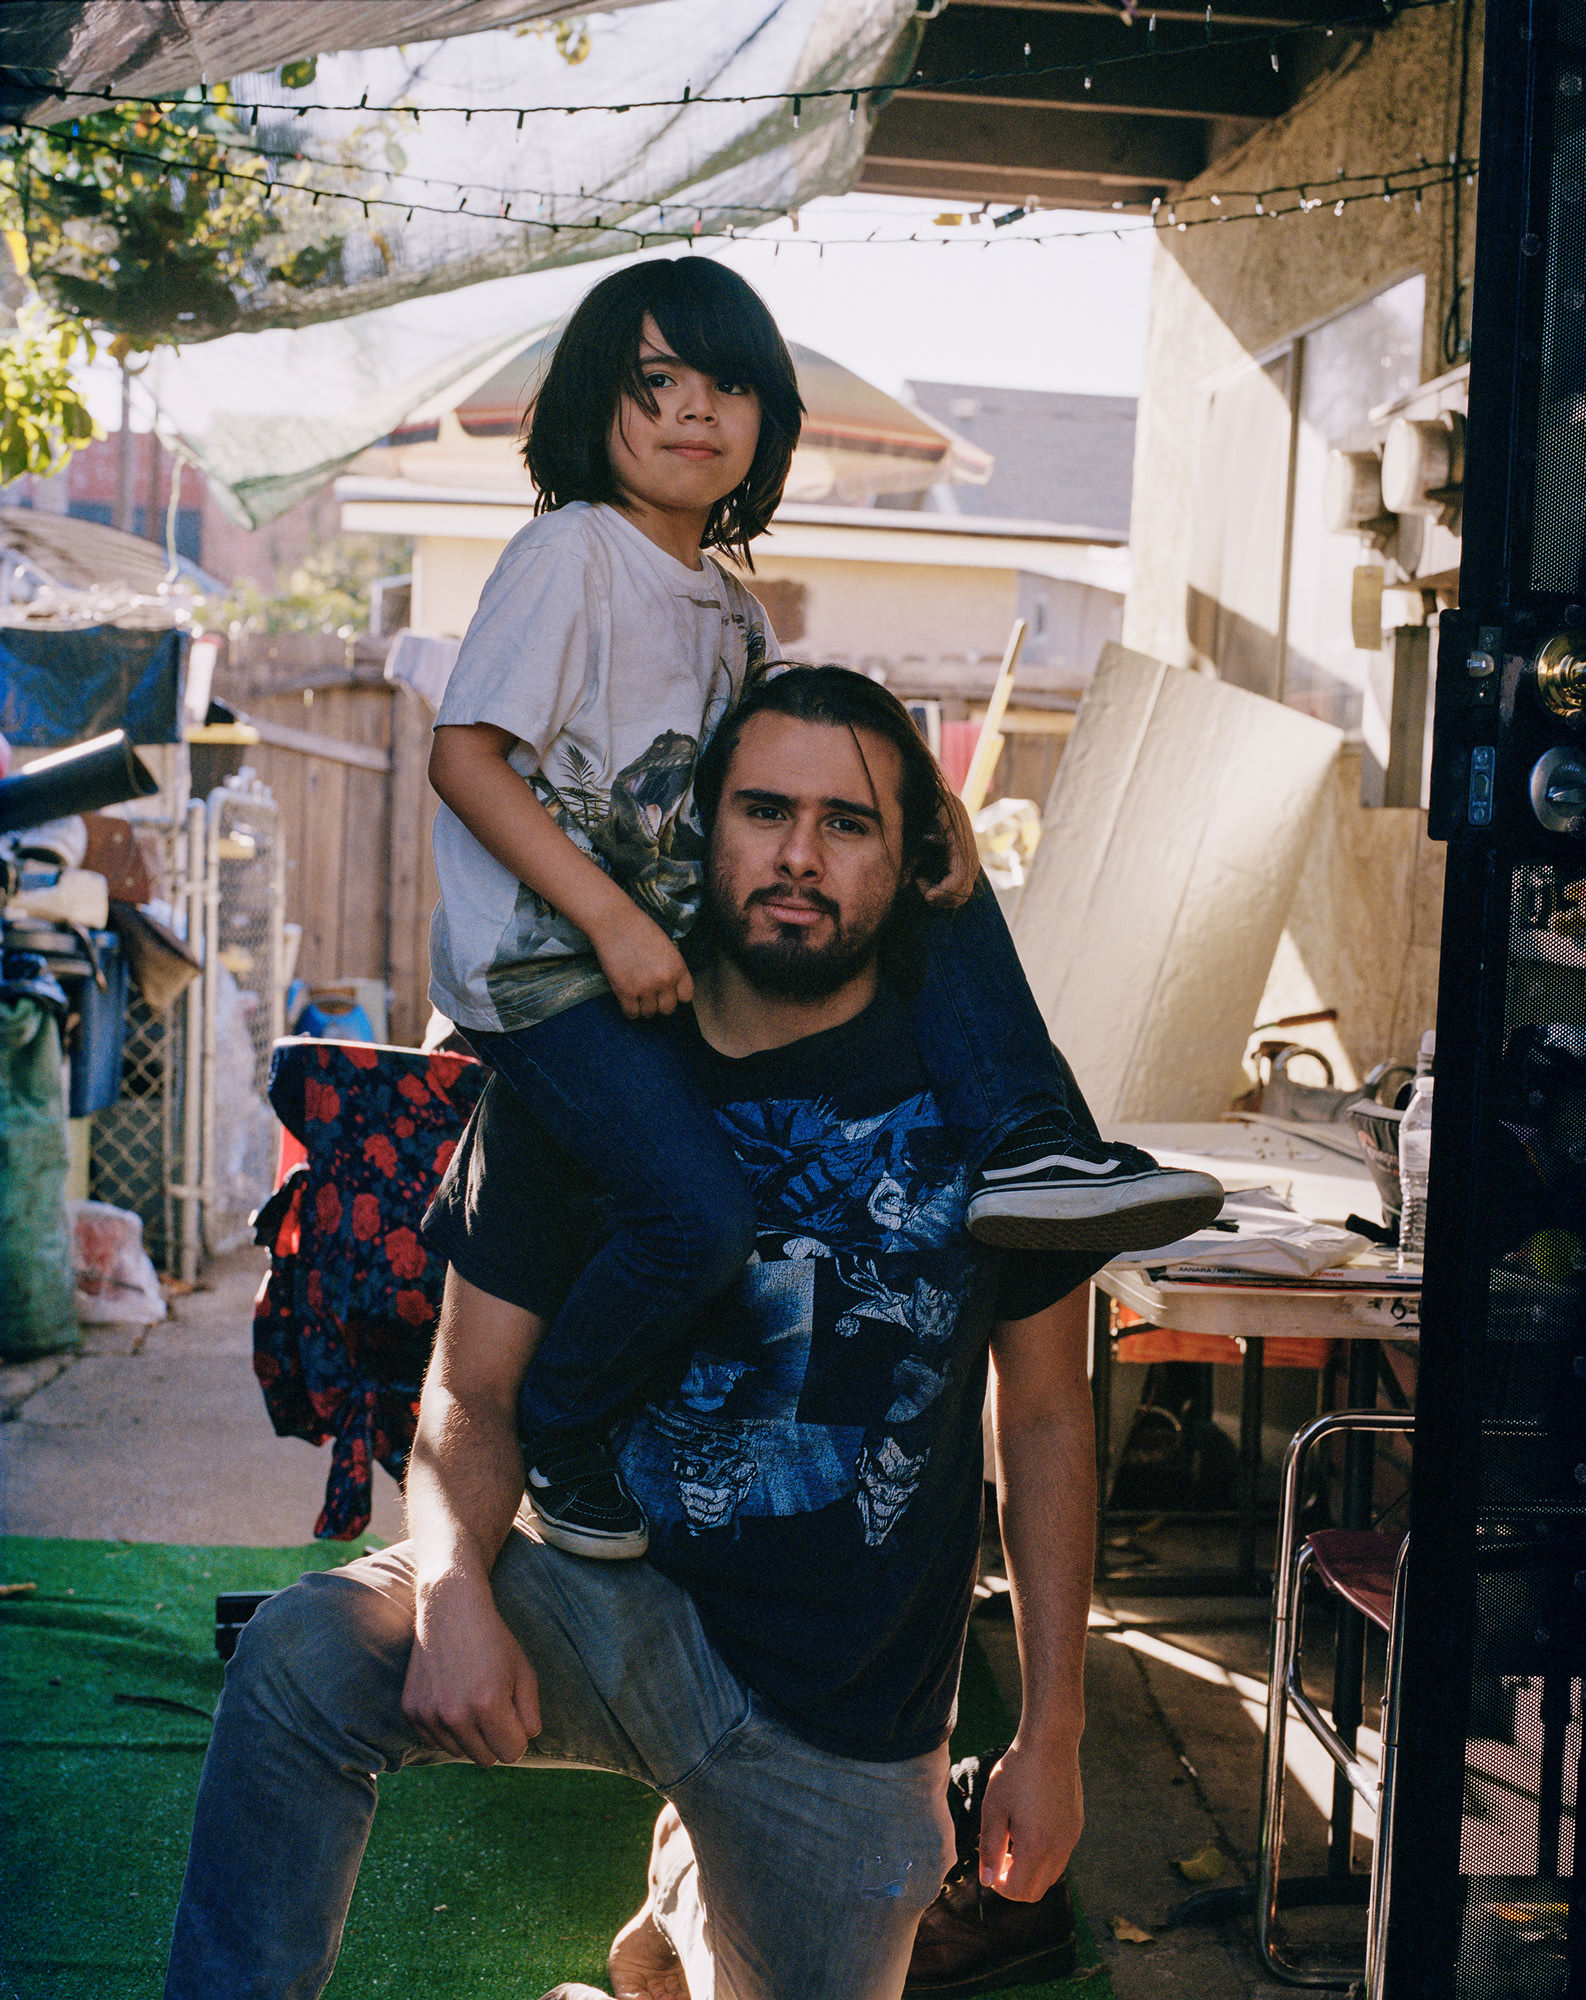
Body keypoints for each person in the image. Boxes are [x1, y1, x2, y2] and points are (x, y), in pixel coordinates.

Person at [163, 669, 1105, 2000]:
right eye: (764, 809)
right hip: (606, 1602)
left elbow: (1052, 1417)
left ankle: (683, 1901)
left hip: (847, 1695)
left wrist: (1053, 1730)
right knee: (304, 1657)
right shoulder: (586, 1072)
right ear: (702, 830)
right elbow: (470, 1392)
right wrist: (450, 1597)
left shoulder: (999, 1105)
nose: (797, 854)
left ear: (911, 867)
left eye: (848, 825)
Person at [425, 257, 1221, 1560]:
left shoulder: (726, 610)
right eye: (657, 382)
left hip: (669, 959)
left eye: (727, 385)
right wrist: (613, 925)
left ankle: (1027, 1146)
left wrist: (913, 810)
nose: (694, 410)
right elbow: (465, 759)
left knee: (918, 848)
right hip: (549, 982)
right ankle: (567, 1426)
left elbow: (776, 783)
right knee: (702, 1214)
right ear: (592, 403)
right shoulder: (573, 555)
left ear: (766, 424)